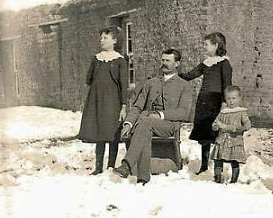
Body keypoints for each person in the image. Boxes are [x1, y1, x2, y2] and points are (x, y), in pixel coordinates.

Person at [113, 49, 194, 184]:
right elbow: (138, 106)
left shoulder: (185, 86)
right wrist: (128, 123)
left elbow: (184, 112)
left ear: (177, 63)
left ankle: (127, 164)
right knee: (145, 125)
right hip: (147, 122)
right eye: (162, 60)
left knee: (146, 123)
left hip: (168, 124)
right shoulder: (151, 83)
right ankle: (143, 179)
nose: (164, 63)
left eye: (168, 60)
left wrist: (160, 115)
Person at [180, 32, 233, 175]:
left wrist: (224, 104)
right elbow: (190, 75)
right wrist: (175, 75)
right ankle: (204, 166)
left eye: (207, 44)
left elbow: (227, 86)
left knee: (215, 134)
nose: (205, 47)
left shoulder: (224, 64)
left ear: (216, 45)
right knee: (204, 135)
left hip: (215, 102)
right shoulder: (206, 63)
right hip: (204, 101)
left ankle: (218, 168)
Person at [78, 27, 128, 175]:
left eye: (105, 38)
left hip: (113, 102)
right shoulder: (96, 59)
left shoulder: (120, 60)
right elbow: (89, 79)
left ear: (114, 40)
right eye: (101, 38)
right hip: (97, 101)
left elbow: (124, 86)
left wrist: (123, 106)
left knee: (111, 132)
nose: (101, 40)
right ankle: (98, 167)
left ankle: (111, 166)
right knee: (99, 132)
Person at [211, 86, 251, 184]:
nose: (231, 101)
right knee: (218, 159)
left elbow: (248, 124)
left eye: (234, 98)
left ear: (239, 99)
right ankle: (218, 177)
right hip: (222, 140)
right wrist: (216, 126)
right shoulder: (223, 112)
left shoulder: (241, 112)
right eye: (229, 98)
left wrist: (239, 129)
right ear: (225, 99)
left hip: (234, 140)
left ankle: (234, 180)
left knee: (234, 160)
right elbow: (214, 124)